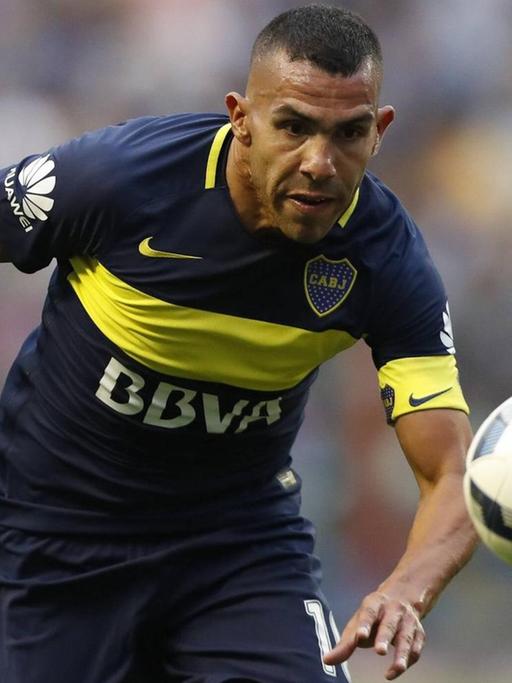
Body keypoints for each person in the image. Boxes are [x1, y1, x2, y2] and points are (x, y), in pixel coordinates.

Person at [0, 5, 477, 683]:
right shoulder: (118, 181)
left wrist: (406, 587)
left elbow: (451, 474)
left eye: (349, 133)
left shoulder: (387, 260)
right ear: (240, 118)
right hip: (55, 535)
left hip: (238, 548)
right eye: (293, 127)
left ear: (381, 131)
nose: (319, 162)